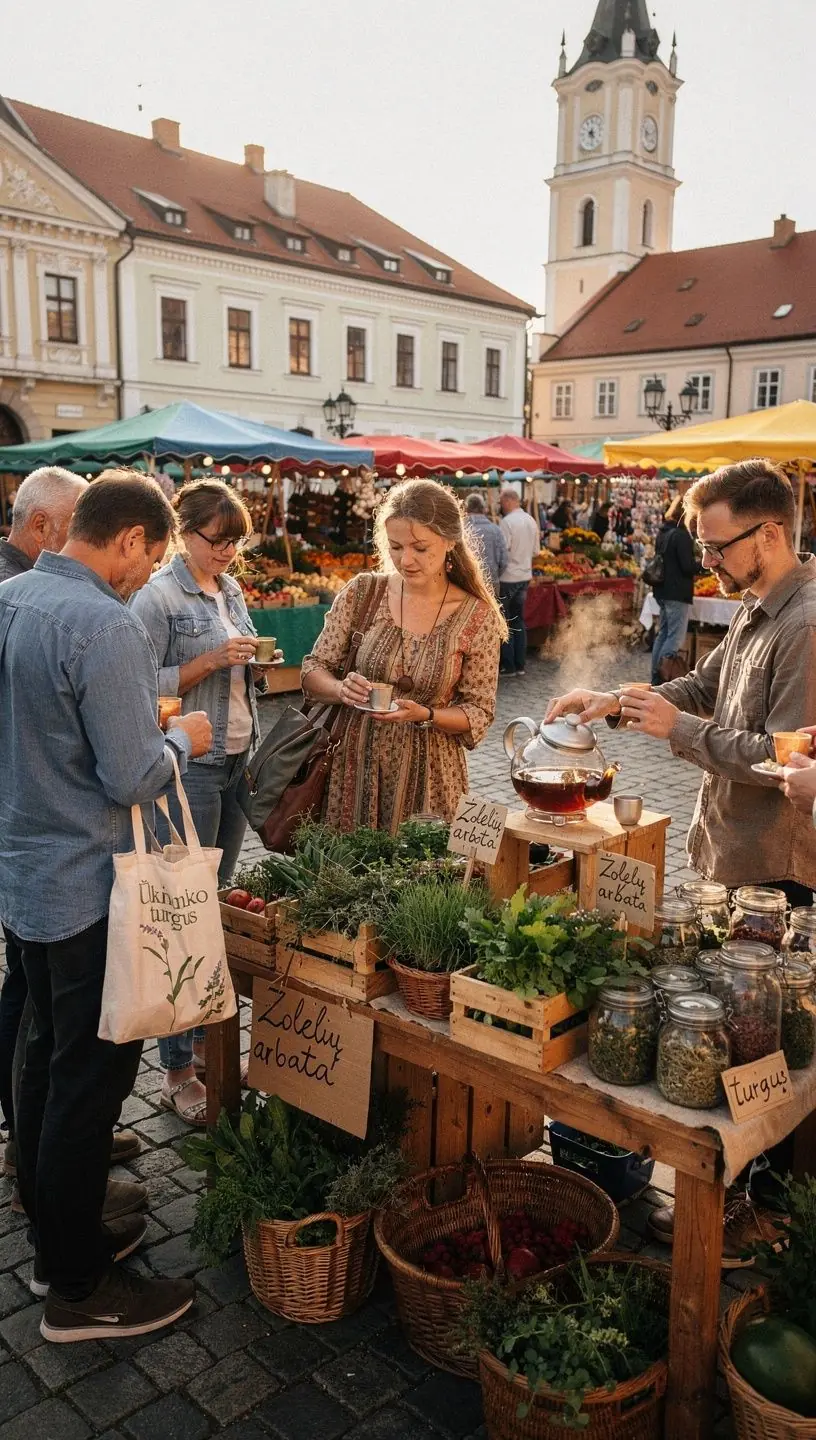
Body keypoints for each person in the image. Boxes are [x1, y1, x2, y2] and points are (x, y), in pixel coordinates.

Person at [546, 458, 816, 1250]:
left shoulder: (805, 625)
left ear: (769, 535)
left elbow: (781, 754)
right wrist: (619, 704)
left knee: (760, 1038)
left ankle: (755, 1208)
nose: (709, 562)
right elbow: (700, 685)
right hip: (732, 848)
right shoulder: (760, 604)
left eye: (719, 546)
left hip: (776, 869)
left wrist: (680, 734)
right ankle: (741, 1191)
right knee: (736, 1033)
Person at [0, 471, 213, 1341]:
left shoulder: (12, 595)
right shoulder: (104, 624)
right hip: (88, 885)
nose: (146, 572)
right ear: (127, 539)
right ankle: (78, 1290)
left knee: (44, 1055)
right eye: (150, 555)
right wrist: (181, 737)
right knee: (90, 1085)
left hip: (24, 873)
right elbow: (131, 774)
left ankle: (59, 1228)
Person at [131, 480, 262, 1126]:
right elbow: (138, 683)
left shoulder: (231, 589)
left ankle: (212, 1050)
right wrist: (210, 661)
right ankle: (177, 1068)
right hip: (191, 771)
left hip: (236, 764)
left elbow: (249, 648)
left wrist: (254, 657)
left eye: (236, 540)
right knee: (184, 917)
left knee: (217, 912)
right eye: (218, 539)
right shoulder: (158, 598)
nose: (229, 552)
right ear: (185, 532)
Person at [301, 478, 506, 831]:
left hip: (432, 780)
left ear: (450, 541)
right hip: (354, 771)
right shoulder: (363, 592)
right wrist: (340, 690)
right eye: (395, 547)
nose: (405, 559)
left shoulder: (477, 618)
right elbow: (313, 669)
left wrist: (426, 713)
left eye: (420, 548)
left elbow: (479, 712)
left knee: (425, 881)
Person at [0, 468, 92, 1173]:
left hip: (23, 844)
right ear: (41, 529)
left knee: (33, 1010)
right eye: (73, 530)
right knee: (39, 1019)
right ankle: (33, 1158)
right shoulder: (35, 599)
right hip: (55, 860)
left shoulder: (13, 594)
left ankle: (32, 1156)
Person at [650, 496, 697, 684]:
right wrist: (701, 566)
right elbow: (687, 566)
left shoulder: (663, 532)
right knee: (675, 638)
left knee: (663, 634)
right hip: (677, 592)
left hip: (662, 590)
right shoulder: (681, 535)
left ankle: (655, 675)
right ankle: (664, 676)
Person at [498, 484, 540, 677]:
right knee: (519, 620)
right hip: (525, 576)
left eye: (501, 502)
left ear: (509, 500)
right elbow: (536, 552)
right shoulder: (531, 520)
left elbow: (503, 552)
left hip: (508, 577)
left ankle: (509, 665)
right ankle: (520, 664)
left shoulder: (507, 522)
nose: (501, 505)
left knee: (506, 621)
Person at [464, 491, 507, 593]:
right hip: (491, 582)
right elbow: (504, 561)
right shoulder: (496, 530)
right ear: (483, 509)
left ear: (466, 509)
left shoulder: (462, 530)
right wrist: (494, 575)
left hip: (467, 584)